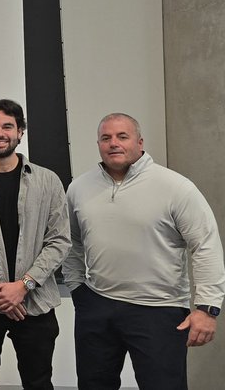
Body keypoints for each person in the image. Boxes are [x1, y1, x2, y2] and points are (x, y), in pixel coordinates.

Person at [62, 113, 225, 389]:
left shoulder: (176, 188)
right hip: (97, 307)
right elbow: (71, 242)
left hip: (159, 310)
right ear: (98, 144)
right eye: (106, 138)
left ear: (139, 142)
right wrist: (77, 287)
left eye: (122, 137)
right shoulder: (79, 187)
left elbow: (205, 245)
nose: (113, 143)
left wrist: (207, 309)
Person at [0, 99, 70, 390]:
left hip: (35, 302)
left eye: (8, 126)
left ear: (20, 132)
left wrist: (22, 287)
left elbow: (59, 240)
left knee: (39, 381)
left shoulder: (48, 181)